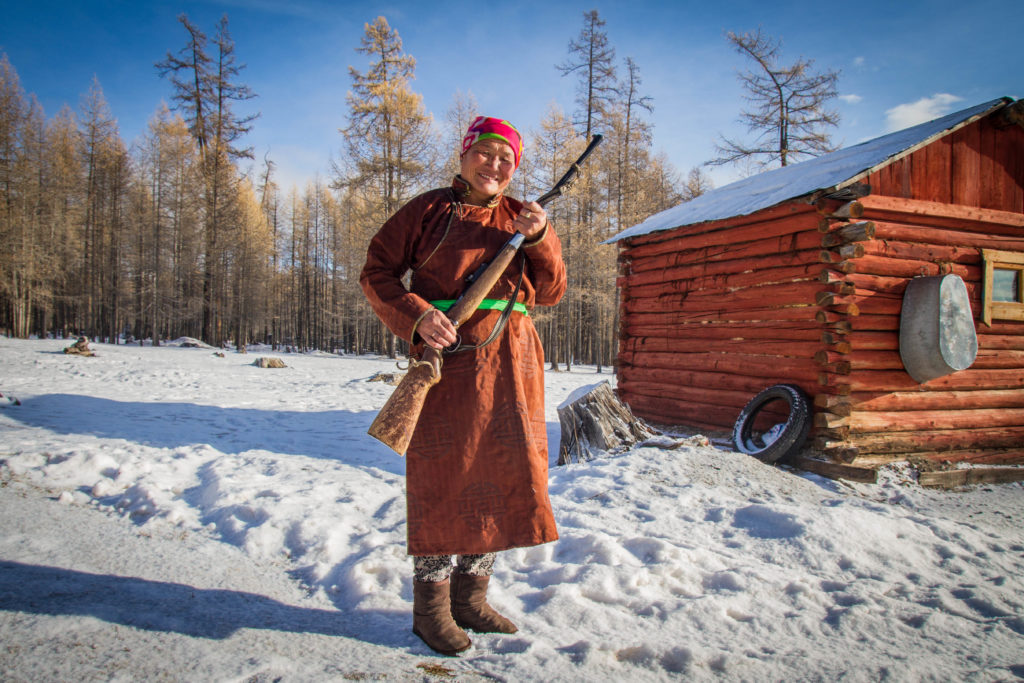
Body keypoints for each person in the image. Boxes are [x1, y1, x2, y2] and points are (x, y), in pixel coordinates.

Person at [360, 116, 566, 655]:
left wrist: (541, 238)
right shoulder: (427, 210)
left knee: (500, 478)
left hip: (513, 363)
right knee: (442, 482)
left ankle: (469, 601)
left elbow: (552, 291)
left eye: (507, 158)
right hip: (448, 365)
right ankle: (430, 610)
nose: (495, 165)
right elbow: (376, 272)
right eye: (486, 153)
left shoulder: (523, 218)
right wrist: (418, 316)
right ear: (464, 153)